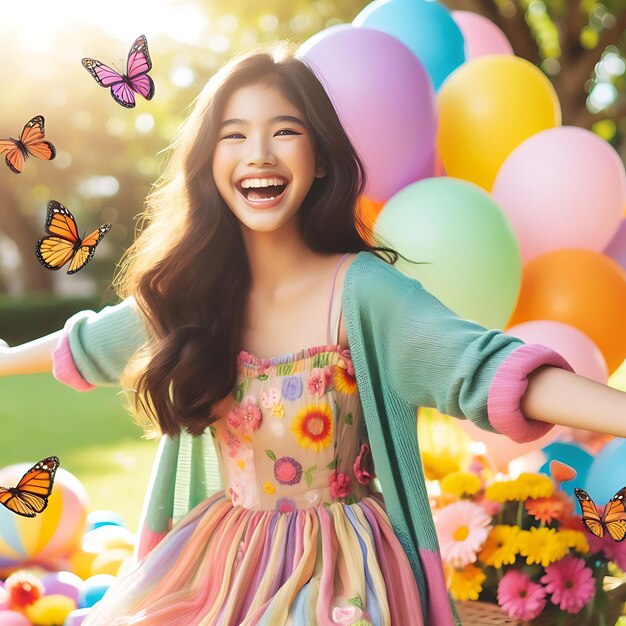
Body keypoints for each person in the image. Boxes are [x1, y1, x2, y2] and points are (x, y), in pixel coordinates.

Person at [2, 42, 626, 626]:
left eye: (285, 132)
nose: (260, 154)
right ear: (209, 162)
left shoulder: (362, 292)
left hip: (341, 568)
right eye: (234, 135)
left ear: (320, 158)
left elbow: (487, 370)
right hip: (224, 556)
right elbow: (84, 345)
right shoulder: (195, 295)